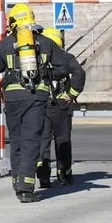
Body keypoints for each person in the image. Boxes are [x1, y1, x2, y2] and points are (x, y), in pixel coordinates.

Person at [0, 3, 72, 203]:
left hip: (12, 99)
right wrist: (46, 72)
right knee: (31, 141)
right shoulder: (45, 42)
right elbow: (64, 67)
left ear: (14, 21)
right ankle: (26, 188)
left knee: (16, 140)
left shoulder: (5, 43)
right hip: (36, 98)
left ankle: (17, 182)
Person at [37, 27, 86, 188]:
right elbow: (79, 72)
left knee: (42, 142)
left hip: (42, 105)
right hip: (61, 106)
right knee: (63, 141)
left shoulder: (38, 58)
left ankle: (44, 177)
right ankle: (64, 175)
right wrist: (71, 95)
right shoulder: (66, 57)